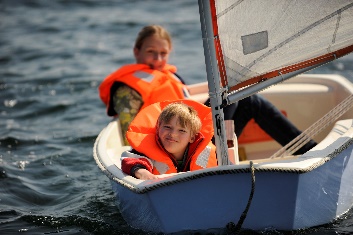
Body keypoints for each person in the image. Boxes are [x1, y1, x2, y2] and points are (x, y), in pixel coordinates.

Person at [99, 24, 316, 155]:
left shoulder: (168, 77)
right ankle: (216, 158)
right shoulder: (128, 90)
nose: (157, 59)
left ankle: (308, 150)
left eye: (162, 53)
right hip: (174, 148)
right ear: (136, 51)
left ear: (169, 53)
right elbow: (131, 137)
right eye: (150, 52)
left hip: (192, 137)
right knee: (229, 96)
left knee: (248, 100)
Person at [121, 100, 218, 180]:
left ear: (192, 137)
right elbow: (130, 161)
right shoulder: (146, 150)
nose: (173, 134)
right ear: (158, 129)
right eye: (167, 127)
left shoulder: (209, 152)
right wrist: (142, 172)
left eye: (182, 130)